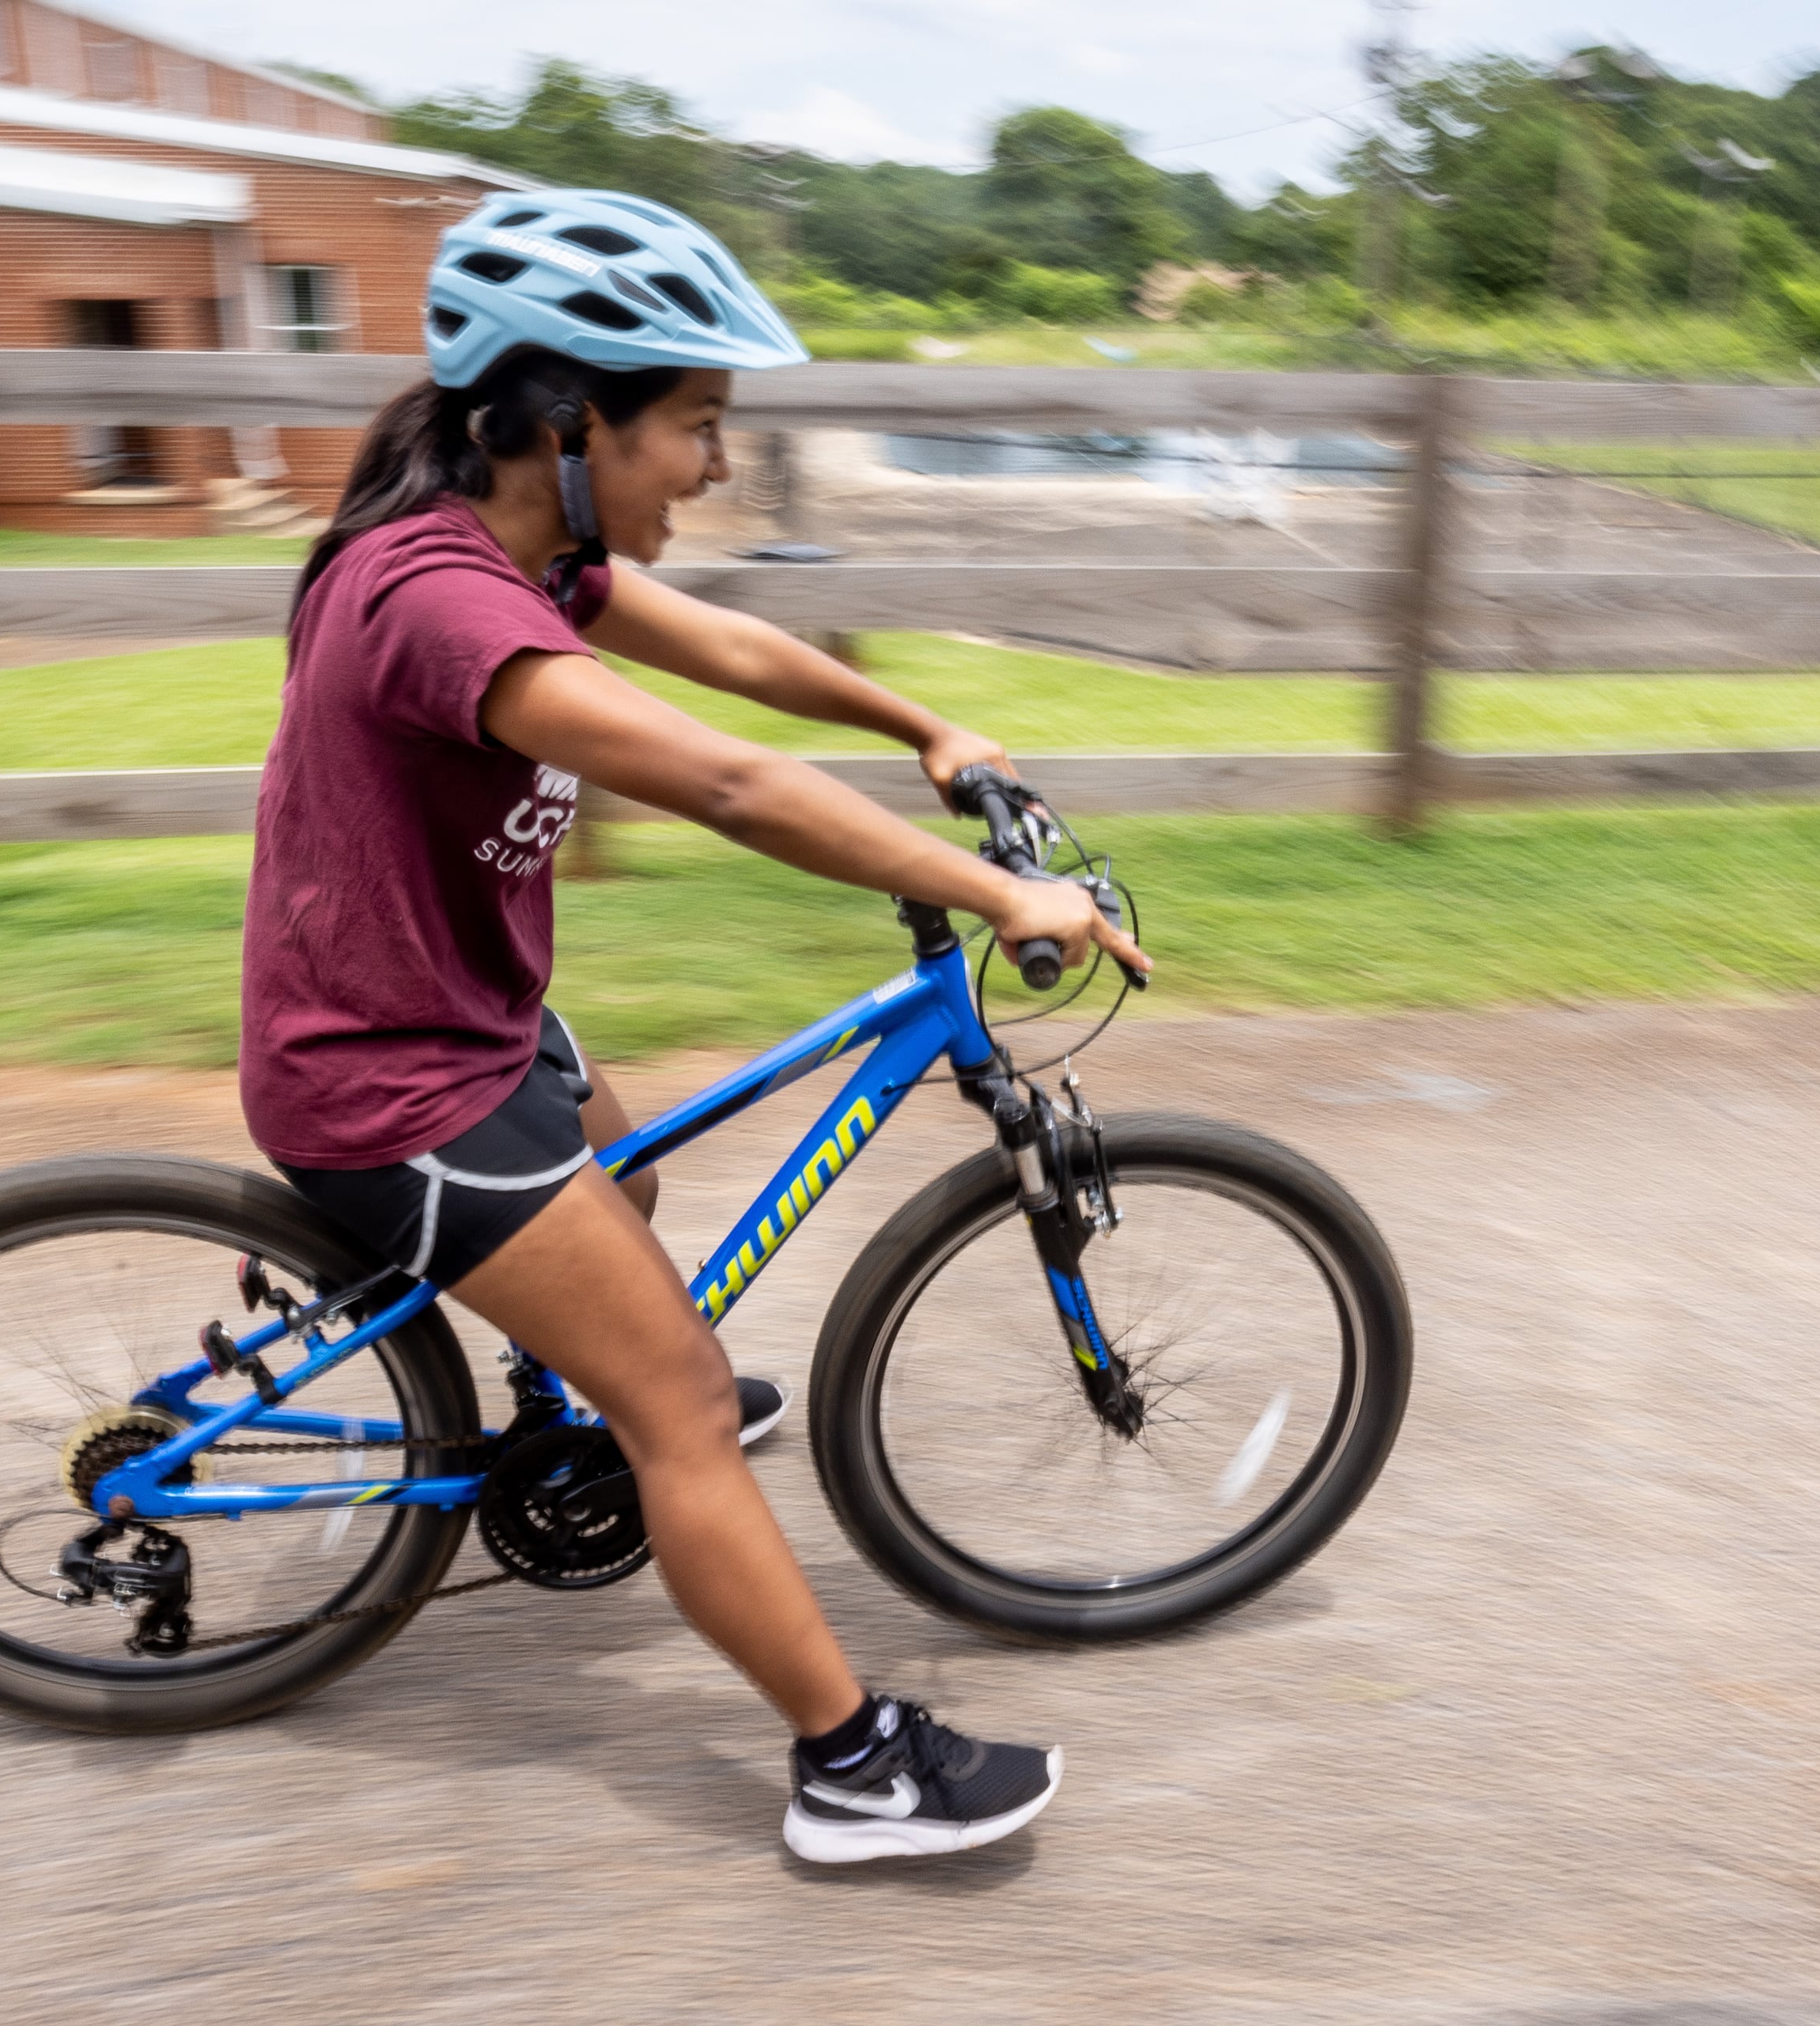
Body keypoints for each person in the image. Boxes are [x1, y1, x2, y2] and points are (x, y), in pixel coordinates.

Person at [237, 187, 1148, 1862]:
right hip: (390, 1078)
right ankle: (854, 1770)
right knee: (678, 1407)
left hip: (463, 1013)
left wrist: (928, 722)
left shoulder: (522, 548)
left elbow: (730, 651)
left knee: (631, 1183)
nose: (715, 469)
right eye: (698, 429)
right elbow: (726, 779)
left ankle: (563, 1387)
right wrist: (1001, 891)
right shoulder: (438, 601)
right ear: (571, 422)